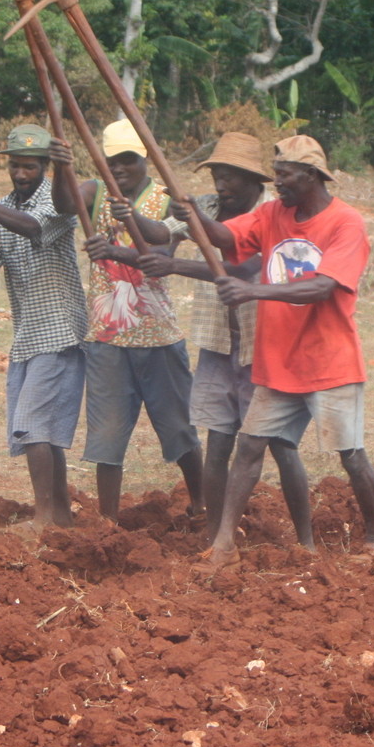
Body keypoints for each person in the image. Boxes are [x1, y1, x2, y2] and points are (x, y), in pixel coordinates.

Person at [173, 134, 374, 568]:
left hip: (329, 361)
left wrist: (253, 290)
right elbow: (224, 240)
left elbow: (322, 286)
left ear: (311, 175)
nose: (278, 184)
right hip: (278, 363)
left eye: (285, 175)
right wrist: (194, 216)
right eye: (276, 175)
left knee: (351, 455)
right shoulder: (272, 214)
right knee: (249, 448)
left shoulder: (346, 223)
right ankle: (223, 545)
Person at [135, 132, 312, 547]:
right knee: (217, 446)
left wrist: (176, 264)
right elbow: (162, 234)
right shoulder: (204, 207)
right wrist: (130, 215)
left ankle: (306, 542)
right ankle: (217, 539)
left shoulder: (273, 215)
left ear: (255, 181)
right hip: (217, 345)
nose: (221, 185)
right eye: (216, 174)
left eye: (230, 177)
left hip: (263, 349)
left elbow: (246, 269)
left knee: (281, 448)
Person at [51, 118, 203, 521]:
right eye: (110, 161)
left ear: (145, 159)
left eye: (127, 160)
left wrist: (122, 236)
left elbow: (162, 256)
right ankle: (108, 522)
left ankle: (203, 504)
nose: (118, 169)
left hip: (158, 337)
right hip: (107, 338)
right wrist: (58, 168)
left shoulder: (167, 200)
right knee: (107, 436)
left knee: (179, 429)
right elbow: (64, 204)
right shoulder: (95, 192)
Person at [0, 123, 87, 529]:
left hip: (60, 329)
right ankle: (59, 514)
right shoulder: (1, 209)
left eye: (30, 167)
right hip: (28, 334)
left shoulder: (59, 202)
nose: (21, 174)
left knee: (31, 424)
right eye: (15, 166)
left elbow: (33, 228)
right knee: (37, 429)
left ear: (45, 166)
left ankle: (45, 518)